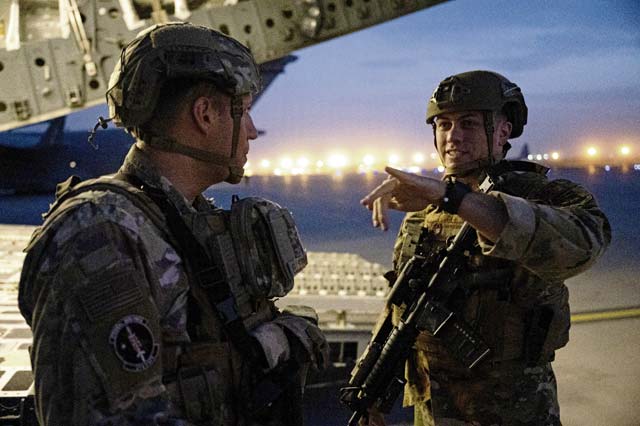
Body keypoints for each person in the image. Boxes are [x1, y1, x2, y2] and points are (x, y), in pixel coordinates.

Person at [18, 22, 328, 426]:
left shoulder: (179, 221)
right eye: (245, 110)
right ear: (204, 114)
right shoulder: (99, 234)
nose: (252, 131)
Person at [359, 71, 611, 425]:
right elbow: (401, 304)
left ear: (503, 131)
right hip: (433, 411)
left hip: (511, 409)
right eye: (443, 125)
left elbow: (584, 243)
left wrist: (453, 198)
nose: (453, 136)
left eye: (468, 124)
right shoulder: (425, 211)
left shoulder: (540, 195)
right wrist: (367, 385)